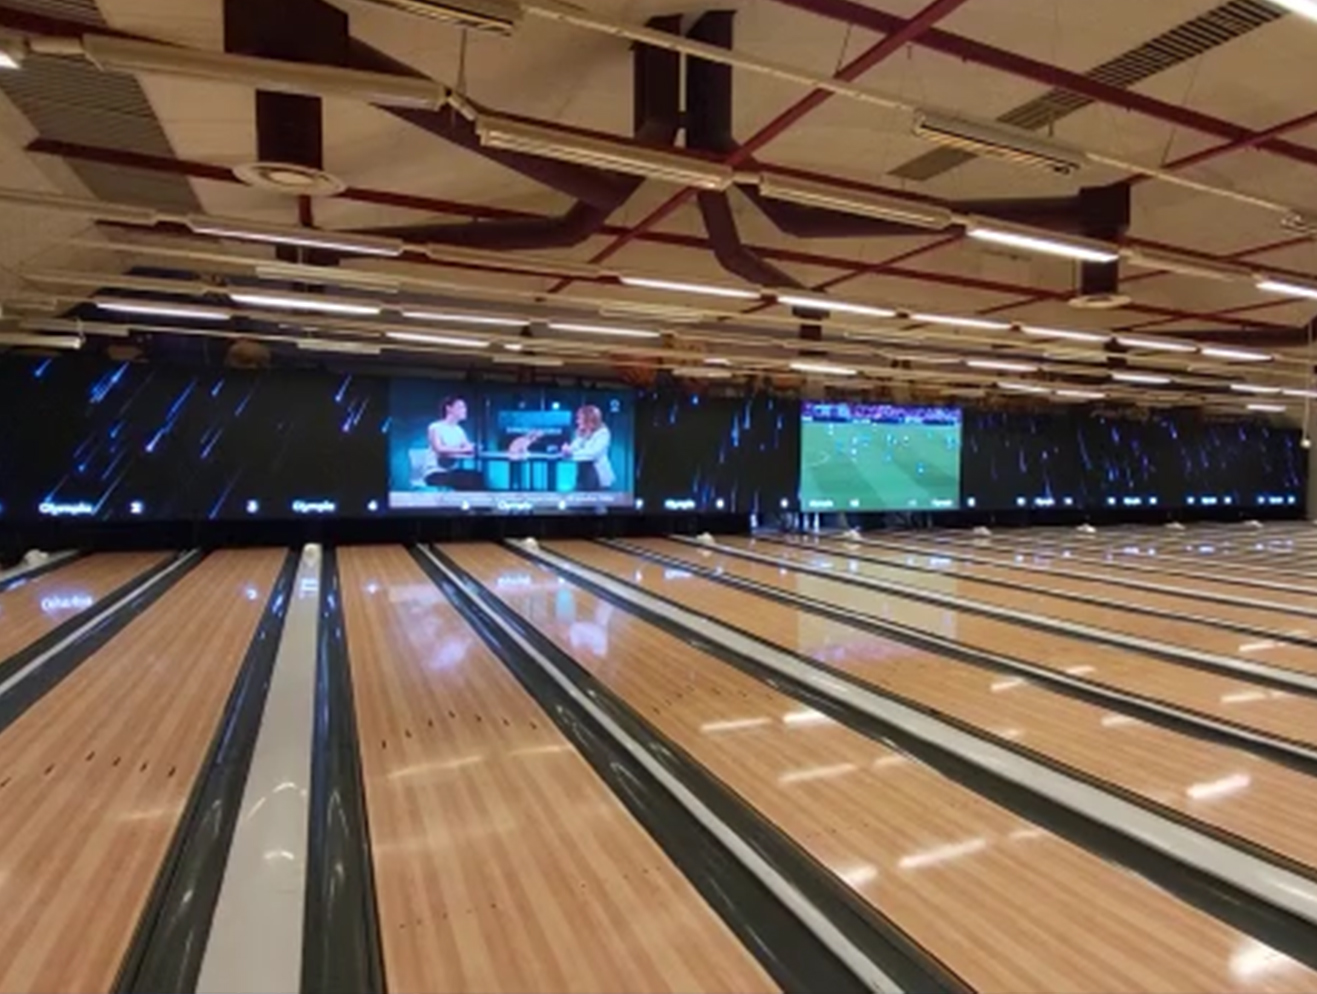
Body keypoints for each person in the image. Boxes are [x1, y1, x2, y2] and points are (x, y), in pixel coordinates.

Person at [424, 396, 483, 489]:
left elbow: (467, 446)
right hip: (435, 472)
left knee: (477, 476)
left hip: (452, 472)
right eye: (461, 407)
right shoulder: (435, 427)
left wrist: (473, 448)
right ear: (449, 409)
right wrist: (463, 450)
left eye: (465, 407)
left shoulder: (459, 430)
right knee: (468, 479)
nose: (465, 410)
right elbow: (439, 449)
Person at [560, 404, 615, 491]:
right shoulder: (582, 433)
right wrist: (567, 450)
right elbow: (574, 447)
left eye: (579, 419)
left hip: (597, 476)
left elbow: (593, 454)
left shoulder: (603, 433)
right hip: (584, 475)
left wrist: (571, 454)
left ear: (588, 419)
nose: (577, 422)